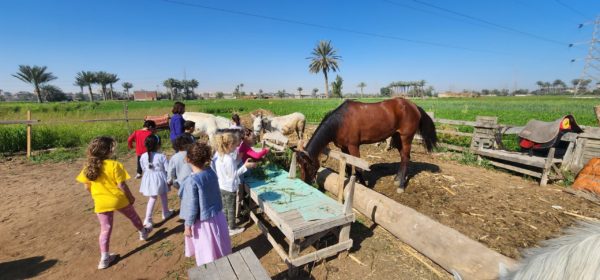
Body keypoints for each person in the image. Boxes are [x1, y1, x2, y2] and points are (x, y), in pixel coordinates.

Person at [76, 136, 152, 270]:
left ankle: (104, 258)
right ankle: (143, 232)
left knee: (105, 229)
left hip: (100, 202)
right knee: (133, 217)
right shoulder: (115, 165)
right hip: (118, 199)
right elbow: (121, 185)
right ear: (108, 151)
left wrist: (97, 196)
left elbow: (87, 187)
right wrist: (130, 197)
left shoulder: (88, 167)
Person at [180, 142, 232, 266]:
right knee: (220, 246)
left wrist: (187, 226)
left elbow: (192, 207)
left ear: (187, 159)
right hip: (218, 217)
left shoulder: (192, 181)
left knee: (207, 252)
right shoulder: (211, 172)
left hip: (203, 223)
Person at [211, 129, 256, 236]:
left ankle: (225, 224)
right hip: (230, 187)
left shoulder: (218, 155)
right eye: (235, 145)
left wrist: (239, 160)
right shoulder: (228, 159)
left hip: (221, 185)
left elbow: (228, 170)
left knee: (225, 207)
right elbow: (233, 174)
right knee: (231, 208)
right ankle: (231, 228)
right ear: (229, 145)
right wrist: (245, 166)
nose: (236, 147)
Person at [139, 134, 173, 227]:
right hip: (160, 177)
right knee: (162, 195)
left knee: (154, 197)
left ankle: (150, 218)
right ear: (158, 145)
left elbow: (143, 168)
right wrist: (169, 180)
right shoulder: (162, 156)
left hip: (149, 177)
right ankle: (162, 213)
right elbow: (168, 169)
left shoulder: (142, 156)